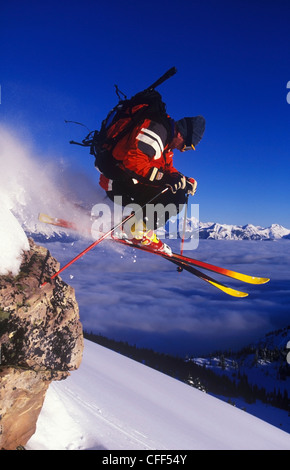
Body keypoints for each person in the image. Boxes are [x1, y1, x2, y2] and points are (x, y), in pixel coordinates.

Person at [98, 113, 206, 255]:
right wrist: (167, 179)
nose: (182, 150)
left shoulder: (165, 144)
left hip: (123, 182)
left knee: (178, 191)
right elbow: (133, 162)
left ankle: (133, 226)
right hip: (117, 183)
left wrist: (183, 180)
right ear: (181, 134)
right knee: (176, 196)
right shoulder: (157, 133)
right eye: (187, 146)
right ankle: (133, 229)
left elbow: (167, 170)